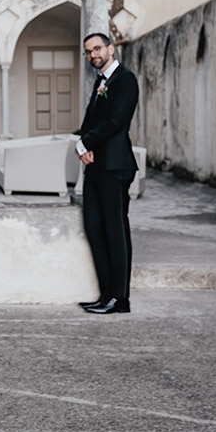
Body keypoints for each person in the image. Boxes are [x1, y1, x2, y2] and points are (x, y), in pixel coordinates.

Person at [75, 32, 139, 315]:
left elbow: (116, 121)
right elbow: (90, 122)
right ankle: (105, 296)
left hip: (115, 166)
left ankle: (120, 299)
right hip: (95, 166)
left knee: (115, 231)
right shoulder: (100, 82)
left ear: (111, 49)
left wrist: (85, 142)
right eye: (88, 51)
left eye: (97, 49)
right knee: (93, 227)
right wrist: (82, 143)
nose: (93, 55)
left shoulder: (125, 80)